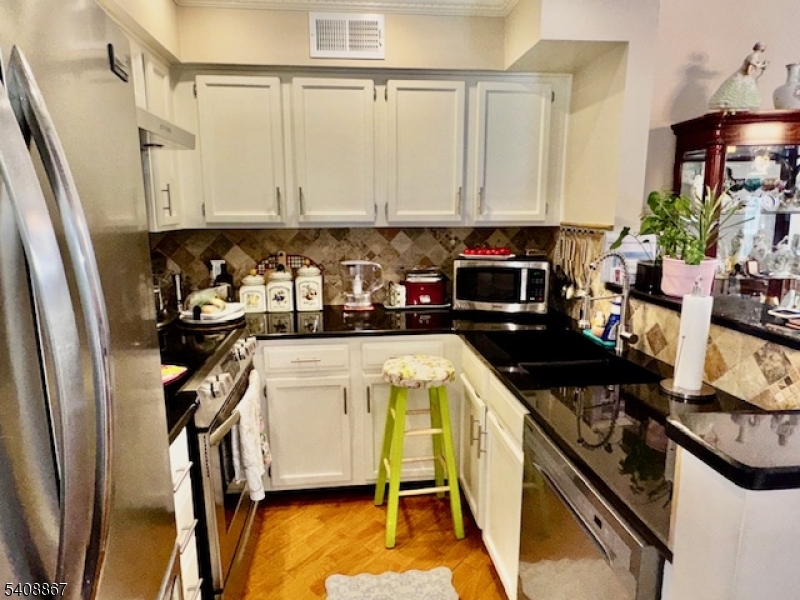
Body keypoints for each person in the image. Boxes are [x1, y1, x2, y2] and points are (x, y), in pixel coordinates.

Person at [709, 42, 768, 110]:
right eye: (762, 46)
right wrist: (762, 65)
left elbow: (754, 66)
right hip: (742, 75)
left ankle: (739, 107)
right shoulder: (753, 56)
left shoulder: (755, 56)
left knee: (746, 91)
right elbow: (754, 64)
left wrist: (762, 65)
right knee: (736, 90)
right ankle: (732, 107)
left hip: (746, 76)